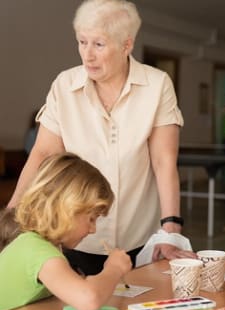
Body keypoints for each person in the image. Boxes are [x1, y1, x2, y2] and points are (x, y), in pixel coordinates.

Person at [7, 0, 195, 276]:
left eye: (98, 44)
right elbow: (44, 154)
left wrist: (171, 230)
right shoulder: (64, 85)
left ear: (126, 45)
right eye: (82, 42)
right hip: (71, 234)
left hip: (138, 238)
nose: (87, 55)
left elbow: (163, 160)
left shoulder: (157, 85)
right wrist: (12, 214)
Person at [0, 153, 132, 310]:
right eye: (91, 219)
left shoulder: (39, 244)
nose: (93, 229)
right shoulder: (36, 250)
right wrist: (114, 268)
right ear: (66, 209)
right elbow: (88, 299)